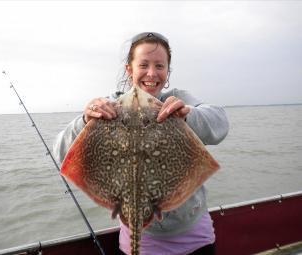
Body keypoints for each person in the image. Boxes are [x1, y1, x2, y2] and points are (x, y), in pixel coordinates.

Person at [53, 32, 229, 255]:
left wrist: (187, 115)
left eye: (159, 66)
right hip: (140, 244)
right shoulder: (108, 108)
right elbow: (60, 153)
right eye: (143, 64)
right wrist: (85, 122)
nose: (152, 73)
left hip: (194, 236)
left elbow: (220, 122)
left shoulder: (176, 100)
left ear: (167, 70)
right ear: (130, 69)